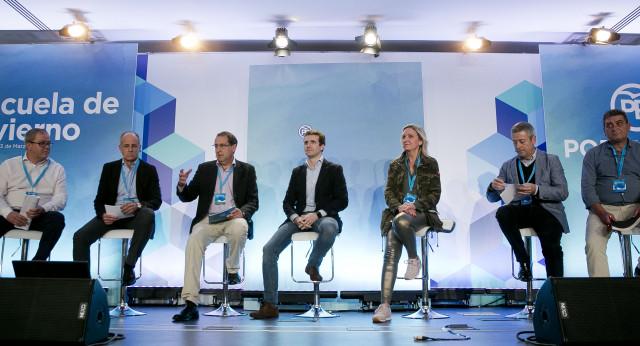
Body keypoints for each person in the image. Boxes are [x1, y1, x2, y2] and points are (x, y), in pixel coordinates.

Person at [250, 129, 348, 319]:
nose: (308, 145)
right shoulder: (298, 171)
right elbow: (287, 202)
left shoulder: (334, 169)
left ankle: (312, 265)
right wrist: (296, 217)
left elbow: (342, 200)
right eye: (306, 142)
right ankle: (270, 305)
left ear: (322, 146)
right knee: (268, 249)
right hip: (298, 219)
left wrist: (317, 214)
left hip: (323, 217)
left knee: (330, 228)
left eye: (312, 142)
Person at [173, 131, 259, 322]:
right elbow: (188, 195)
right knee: (193, 241)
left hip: (232, 217)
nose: (218, 150)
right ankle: (190, 304)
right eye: (216, 146)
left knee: (240, 227)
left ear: (233, 147)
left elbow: (253, 201)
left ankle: (233, 270)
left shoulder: (247, 170)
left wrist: (242, 211)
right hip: (209, 219)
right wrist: (181, 185)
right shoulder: (205, 169)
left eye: (222, 146)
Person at [373, 124, 443, 323]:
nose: (405, 139)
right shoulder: (395, 164)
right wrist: (400, 207)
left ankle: (413, 259)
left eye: (410, 136)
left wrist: (415, 205)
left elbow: (435, 194)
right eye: (403, 136)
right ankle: (384, 306)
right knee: (391, 251)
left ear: (420, 140)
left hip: (422, 212)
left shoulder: (430, 163)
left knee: (401, 221)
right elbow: (388, 193)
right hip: (400, 213)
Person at [73, 131, 161, 286]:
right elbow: (99, 200)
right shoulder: (109, 168)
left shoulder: (149, 170)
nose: (130, 149)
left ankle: (129, 266)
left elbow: (156, 201)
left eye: (134, 146)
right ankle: (83, 286)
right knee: (80, 236)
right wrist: (102, 214)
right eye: (126, 146)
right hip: (112, 217)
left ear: (139, 147)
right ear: (120, 148)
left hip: (137, 217)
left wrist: (138, 205)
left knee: (148, 213)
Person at [487, 122, 569, 282]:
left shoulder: (551, 160)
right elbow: (494, 198)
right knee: (502, 212)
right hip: (521, 210)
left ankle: (556, 289)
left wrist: (537, 189)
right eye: (514, 142)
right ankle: (523, 261)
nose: (517, 146)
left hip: (547, 211)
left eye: (522, 142)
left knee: (551, 246)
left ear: (533, 140)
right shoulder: (508, 165)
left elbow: (562, 191)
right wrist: (493, 187)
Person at [582, 109, 640, 277]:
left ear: (629, 127)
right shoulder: (593, 154)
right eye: (609, 125)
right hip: (602, 209)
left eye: (619, 123)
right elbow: (587, 188)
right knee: (593, 244)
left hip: (635, 207)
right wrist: (601, 212)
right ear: (604, 130)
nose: (614, 128)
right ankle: (604, 295)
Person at [0, 128, 67, 260]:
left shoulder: (57, 168)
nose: (47, 147)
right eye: (42, 143)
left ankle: (37, 264)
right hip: (11, 214)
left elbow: (61, 198)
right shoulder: (9, 165)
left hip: (39, 215)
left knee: (57, 219)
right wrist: (8, 213)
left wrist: (43, 209)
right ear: (28, 145)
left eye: (49, 143)